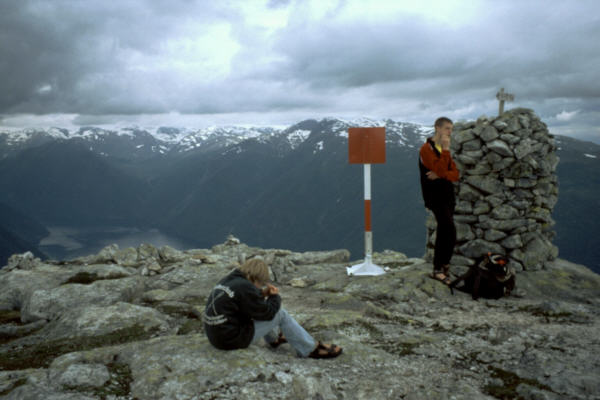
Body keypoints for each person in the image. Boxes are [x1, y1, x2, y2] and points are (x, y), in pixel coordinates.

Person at [203, 258, 342, 358]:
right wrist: (274, 297)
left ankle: (274, 338)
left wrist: (263, 294)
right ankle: (310, 349)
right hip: (231, 340)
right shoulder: (245, 287)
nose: (261, 287)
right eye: (261, 284)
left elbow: (246, 302)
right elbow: (267, 314)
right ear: (255, 279)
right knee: (280, 314)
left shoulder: (230, 280)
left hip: (216, 336)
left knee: (260, 309)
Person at [418, 117, 460, 285]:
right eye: (447, 128)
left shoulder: (440, 149)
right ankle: (438, 269)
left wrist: (440, 174)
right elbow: (442, 168)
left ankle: (444, 265)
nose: (450, 132)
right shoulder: (426, 149)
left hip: (448, 195)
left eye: (451, 129)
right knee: (448, 228)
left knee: (448, 230)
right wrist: (446, 150)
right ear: (437, 128)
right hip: (435, 197)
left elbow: (455, 175)